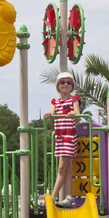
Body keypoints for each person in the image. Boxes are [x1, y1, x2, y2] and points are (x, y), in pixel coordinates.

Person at [43, 72, 81, 208]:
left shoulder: (73, 100)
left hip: (69, 136)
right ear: (58, 86)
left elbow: (78, 116)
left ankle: (52, 197)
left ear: (72, 86)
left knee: (61, 168)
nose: (65, 85)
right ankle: (69, 197)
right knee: (67, 168)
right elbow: (52, 112)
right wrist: (49, 114)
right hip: (59, 137)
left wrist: (73, 114)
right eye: (63, 82)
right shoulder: (55, 101)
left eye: (68, 82)